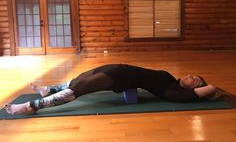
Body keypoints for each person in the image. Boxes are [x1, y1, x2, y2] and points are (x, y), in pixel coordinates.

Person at [5, 64, 220, 115]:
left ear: (195, 88)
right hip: (120, 68)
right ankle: (48, 90)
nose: (190, 76)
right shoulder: (171, 78)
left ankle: (31, 106)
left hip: (119, 78)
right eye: (193, 75)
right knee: (81, 77)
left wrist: (211, 88)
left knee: (79, 88)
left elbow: (193, 96)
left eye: (195, 80)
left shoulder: (173, 92)